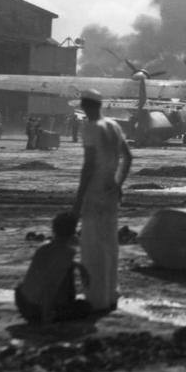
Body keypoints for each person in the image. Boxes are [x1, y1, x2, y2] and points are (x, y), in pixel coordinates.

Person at [72, 89, 132, 312]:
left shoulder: (90, 127)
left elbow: (88, 167)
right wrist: (118, 183)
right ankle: (110, 294)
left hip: (95, 191)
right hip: (110, 191)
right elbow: (128, 157)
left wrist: (78, 200)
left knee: (92, 246)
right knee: (109, 244)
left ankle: (96, 299)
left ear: (85, 106)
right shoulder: (114, 126)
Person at [14, 211, 92, 326]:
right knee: (85, 307)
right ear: (73, 232)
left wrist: (79, 266)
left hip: (24, 303)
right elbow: (50, 286)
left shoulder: (43, 249)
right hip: (39, 310)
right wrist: (46, 317)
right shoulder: (67, 253)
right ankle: (53, 311)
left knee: (21, 287)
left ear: (54, 230)